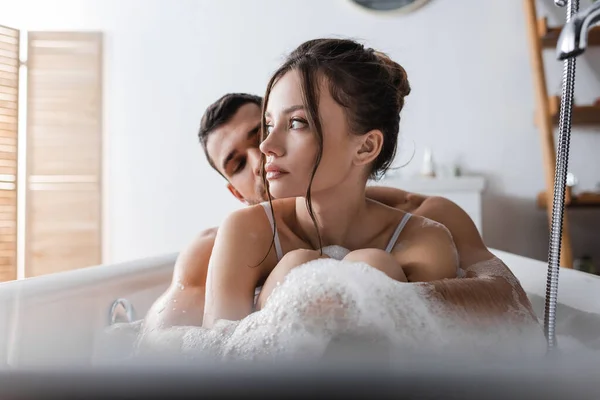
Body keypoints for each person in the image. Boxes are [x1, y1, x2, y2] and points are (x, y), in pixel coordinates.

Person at [143, 50, 535, 332]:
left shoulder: (428, 223)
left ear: (365, 146)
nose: (263, 153)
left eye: (291, 123)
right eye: (237, 164)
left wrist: (373, 297)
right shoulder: (228, 240)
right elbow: (188, 356)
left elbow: (509, 308)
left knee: (374, 265)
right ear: (235, 192)